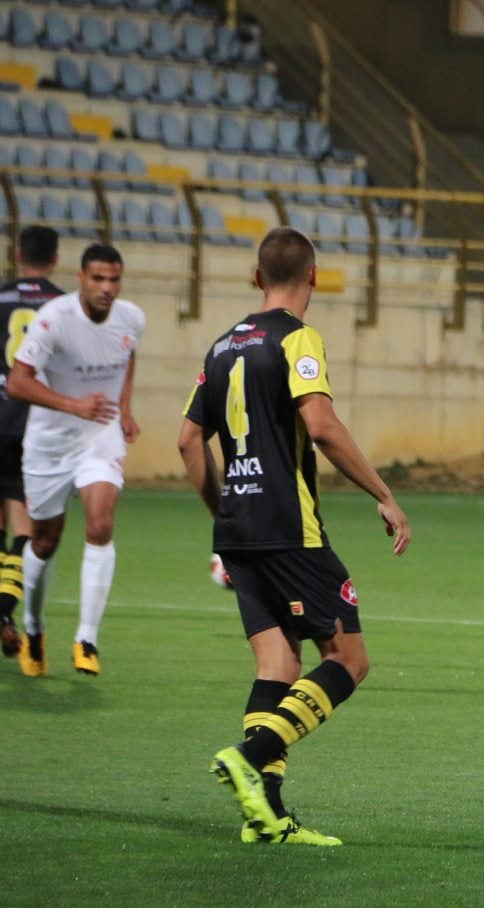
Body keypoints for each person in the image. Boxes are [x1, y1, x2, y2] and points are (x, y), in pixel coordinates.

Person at [178, 226, 412, 847]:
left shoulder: (221, 346)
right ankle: (252, 755)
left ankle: (267, 816)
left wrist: (224, 510)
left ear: (258, 277)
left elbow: (186, 441)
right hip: (290, 527)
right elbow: (323, 427)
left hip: (238, 527)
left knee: (279, 662)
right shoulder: (297, 339)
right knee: (349, 660)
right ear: (313, 276)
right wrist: (384, 495)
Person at [5, 244, 144, 678]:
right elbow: (16, 382)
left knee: (100, 525)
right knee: (45, 541)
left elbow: (127, 353)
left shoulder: (132, 318)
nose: (107, 288)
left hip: (99, 437)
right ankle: (33, 628)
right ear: (81, 277)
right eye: (99, 279)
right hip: (49, 443)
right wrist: (72, 405)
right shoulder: (54, 319)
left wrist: (124, 407)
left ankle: (87, 638)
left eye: (114, 279)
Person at [0, 224, 65, 660]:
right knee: (26, 524)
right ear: (56, 258)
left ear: (18, 253)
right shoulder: (62, 304)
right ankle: (4, 616)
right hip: (34, 420)